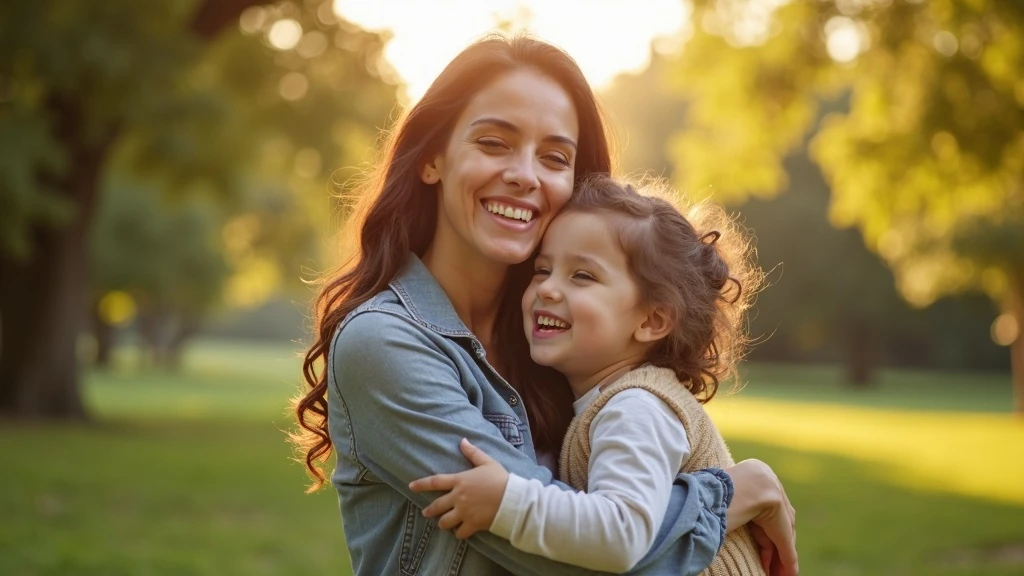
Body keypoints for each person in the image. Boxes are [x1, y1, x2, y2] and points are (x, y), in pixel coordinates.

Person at [292, 34, 798, 576]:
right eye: (493, 143)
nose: (525, 175)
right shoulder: (385, 342)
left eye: (554, 157)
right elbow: (571, 564)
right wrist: (730, 495)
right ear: (433, 159)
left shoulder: (564, 344)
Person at [410, 176, 776, 575]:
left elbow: (621, 536)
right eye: (542, 269)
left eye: (582, 276)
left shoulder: (636, 407)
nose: (548, 289)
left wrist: (506, 502)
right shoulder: (609, 401)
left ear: (652, 320)